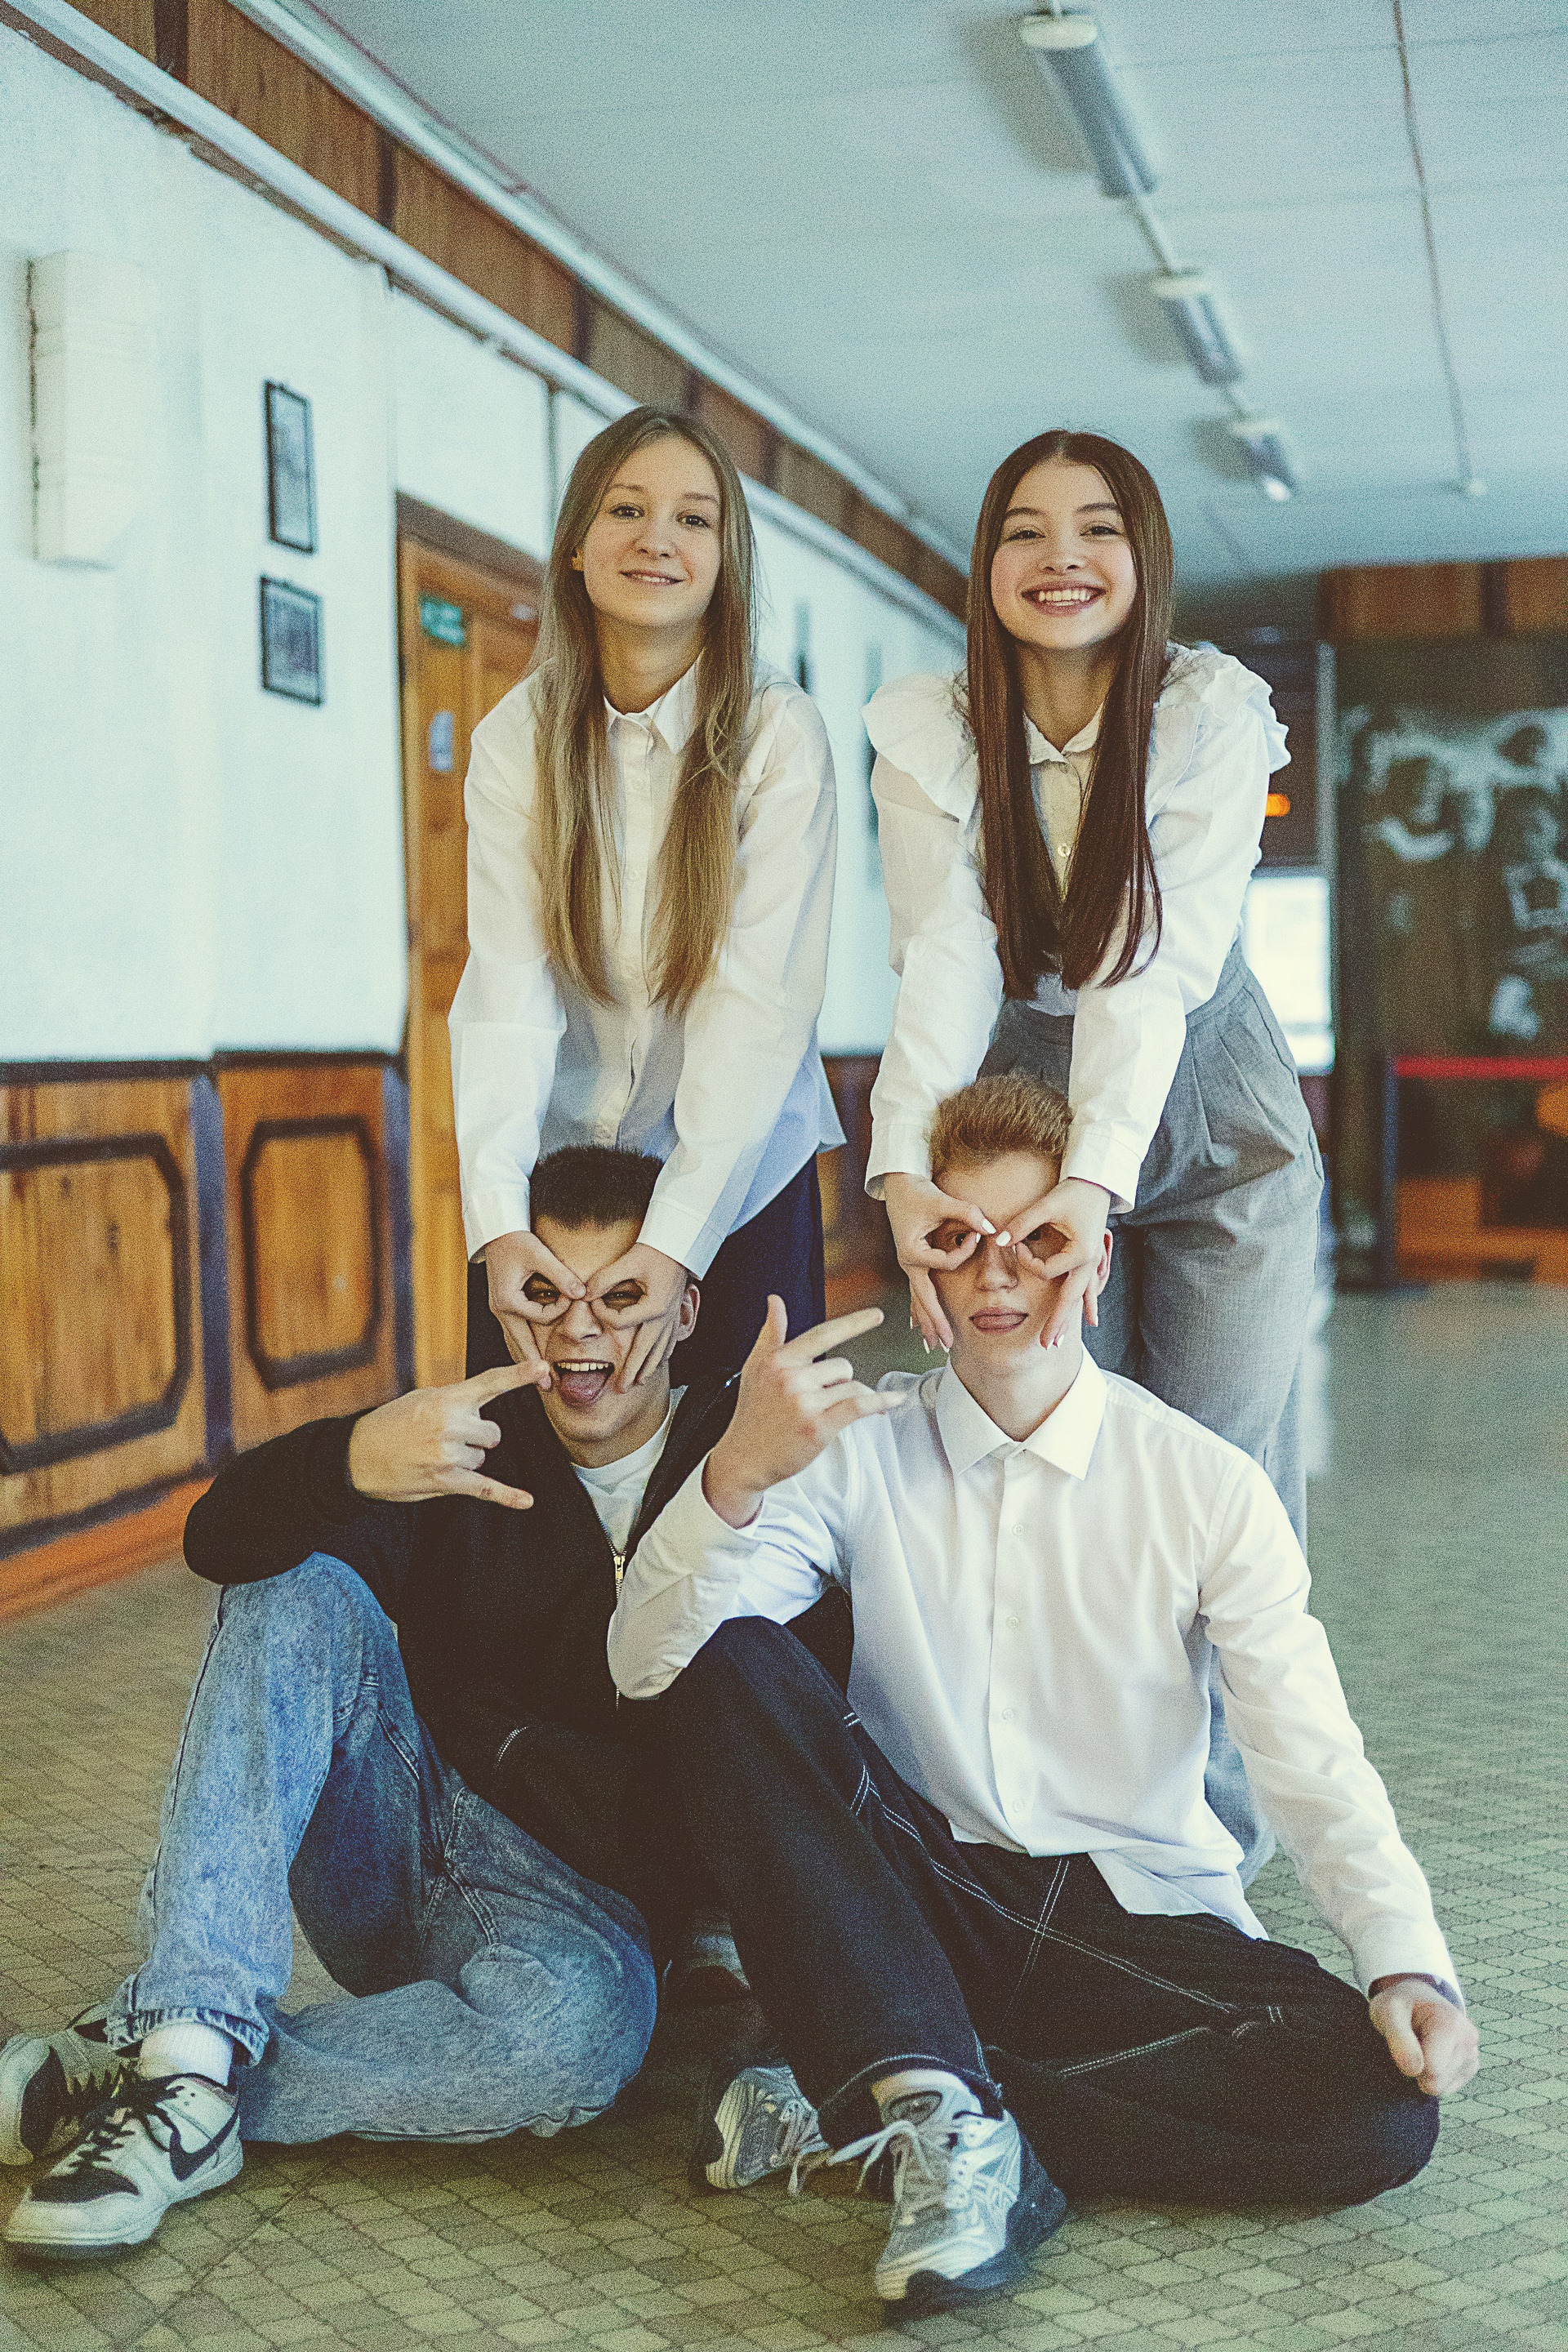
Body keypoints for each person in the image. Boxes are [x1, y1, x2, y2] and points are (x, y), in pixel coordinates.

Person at [608, 1074, 1477, 2316]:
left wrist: (1407, 1965)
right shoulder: (857, 1454)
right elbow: (646, 1665)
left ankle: (905, 2104)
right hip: (916, 1895)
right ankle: (930, 2100)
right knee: (734, 1659)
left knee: (1377, 2112)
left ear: (1095, 1258)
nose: (999, 1274)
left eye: (1037, 1239)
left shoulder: (1205, 1485)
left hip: (1126, 1915)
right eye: (960, 1240)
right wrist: (733, 1476)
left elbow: (1309, 1755)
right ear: (921, 1265)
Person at [0, 1147, 770, 2264]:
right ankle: (190, 2046)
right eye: (544, 1295)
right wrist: (354, 1457)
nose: (578, 1331)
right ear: (504, 1306)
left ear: (683, 1305)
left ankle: (169, 2071)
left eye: (619, 1296)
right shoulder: (464, 1442)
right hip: (404, 1832)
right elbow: (220, 1544)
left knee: (576, 2041)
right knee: (294, 1581)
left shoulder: (741, 1463)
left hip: (576, 1917)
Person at [860, 429, 1325, 1870]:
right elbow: (944, 959)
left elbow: (1147, 962)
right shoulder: (929, 730)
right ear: (986, 564)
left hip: (1217, 1117)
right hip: (1021, 1118)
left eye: (1098, 527)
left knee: (1219, 1476)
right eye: (1025, 530)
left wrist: (1098, 1178)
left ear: (1146, 559)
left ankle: (1216, 1845)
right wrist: (902, 1169)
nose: (1061, 556)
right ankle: (1081, 1826)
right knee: (1057, 1465)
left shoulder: (1209, 714)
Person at [452, 404, 841, 1396]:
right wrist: (498, 1219)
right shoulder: (517, 739)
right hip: (563, 1177)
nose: (656, 539)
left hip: (739, 1174)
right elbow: (505, 997)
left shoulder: (778, 736)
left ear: (724, 561)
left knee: (736, 1457)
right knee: (527, 1459)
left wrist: (678, 1240)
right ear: (575, 545)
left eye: (693, 519)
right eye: (626, 509)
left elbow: (756, 1010)